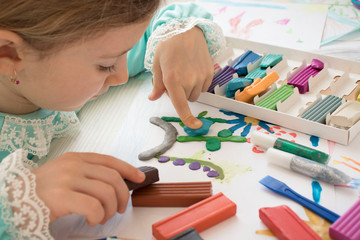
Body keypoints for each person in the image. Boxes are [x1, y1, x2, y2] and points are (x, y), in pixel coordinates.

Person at [0, 0, 226, 238]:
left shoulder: (51, 59)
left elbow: (173, 15)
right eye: (105, 66)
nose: (122, 75)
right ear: (9, 53)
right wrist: (16, 203)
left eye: (125, 55)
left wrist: (180, 34)